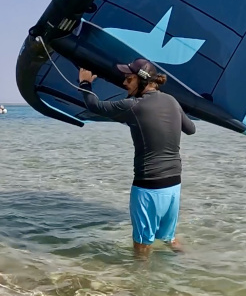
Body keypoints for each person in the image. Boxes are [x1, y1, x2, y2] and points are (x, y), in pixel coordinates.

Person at [78, 58, 196, 255]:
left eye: (129, 79)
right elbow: (190, 129)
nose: (124, 83)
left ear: (142, 81)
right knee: (169, 239)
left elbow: (94, 105)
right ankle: (190, 268)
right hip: (174, 185)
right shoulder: (172, 101)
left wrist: (85, 82)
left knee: (142, 246)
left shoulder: (133, 105)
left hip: (148, 186)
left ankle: (140, 283)